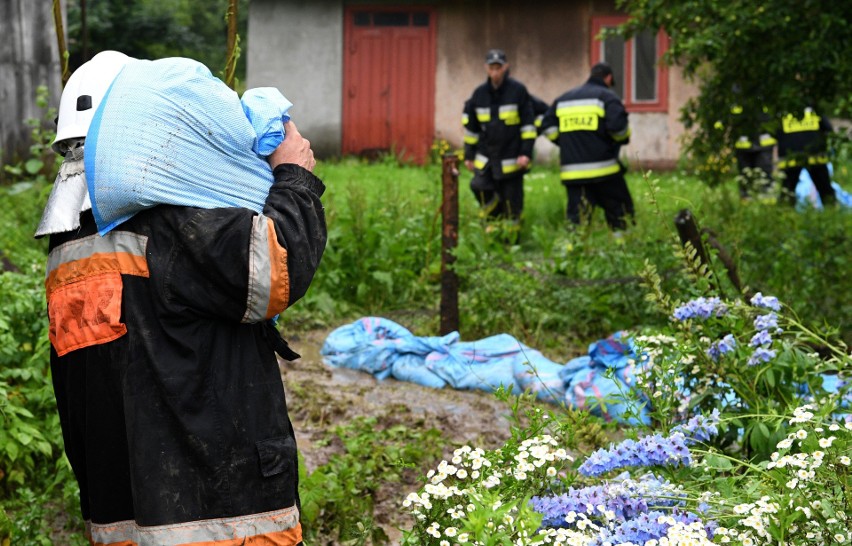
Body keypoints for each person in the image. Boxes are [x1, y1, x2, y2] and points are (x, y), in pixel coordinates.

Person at [38, 53, 326, 545]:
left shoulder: (65, 247)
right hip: (219, 517)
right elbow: (274, 267)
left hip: (121, 517)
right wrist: (295, 178)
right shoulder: (169, 225)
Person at [540, 62, 634, 231]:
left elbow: (546, 125)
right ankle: (622, 249)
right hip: (605, 172)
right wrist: (616, 140)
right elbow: (618, 129)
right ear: (609, 78)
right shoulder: (607, 97)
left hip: (573, 173)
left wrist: (563, 141)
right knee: (620, 213)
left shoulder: (564, 99)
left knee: (577, 220)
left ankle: (576, 253)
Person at [462, 49, 537, 230]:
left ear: (506, 67)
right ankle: (494, 223)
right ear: (486, 69)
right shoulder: (479, 94)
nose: (495, 72)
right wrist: (469, 155)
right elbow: (472, 129)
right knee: (478, 186)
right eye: (491, 68)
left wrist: (525, 153)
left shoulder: (518, 91)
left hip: (511, 158)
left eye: (498, 67)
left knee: (512, 203)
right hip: (487, 158)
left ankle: (512, 242)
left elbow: (528, 125)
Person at [775, 106, 836, 206]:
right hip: (815, 158)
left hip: (790, 159)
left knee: (787, 192)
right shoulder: (814, 110)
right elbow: (828, 129)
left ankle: (784, 215)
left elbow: (774, 133)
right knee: (825, 190)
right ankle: (832, 214)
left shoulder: (782, 112)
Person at [729, 101, 776, 199]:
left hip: (764, 145)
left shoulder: (765, 92)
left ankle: (768, 206)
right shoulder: (735, 92)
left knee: (765, 179)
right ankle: (747, 205)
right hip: (743, 145)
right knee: (745, 180)